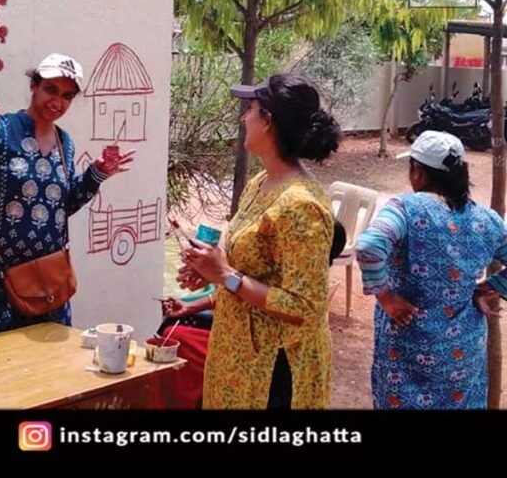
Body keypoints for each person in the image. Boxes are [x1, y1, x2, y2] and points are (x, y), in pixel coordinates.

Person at [177, 73, 341, 409]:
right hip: (238, 357)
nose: (243, 118)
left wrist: (226, 276)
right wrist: (210, 269)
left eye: (250, 109)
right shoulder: (260, 183)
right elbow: (252, 269)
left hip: (273, 368)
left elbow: (305, 306)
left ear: (268, 121)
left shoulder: (301, 205)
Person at [0, 53, 134, 340]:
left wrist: (96, 174)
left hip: (48, 281)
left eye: (67, 96)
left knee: (49, 371)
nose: (57, 102)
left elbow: (61, 207)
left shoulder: (65, 143)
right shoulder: (2, 130)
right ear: (34, 85)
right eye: (51, 90)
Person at [356, 130, 506, 409]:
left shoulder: (405, 208)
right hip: (463, 354)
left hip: (405, 347)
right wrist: (486, 289)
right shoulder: (487, 220)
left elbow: (369, 246)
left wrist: (385, 296)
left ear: (418, 173)